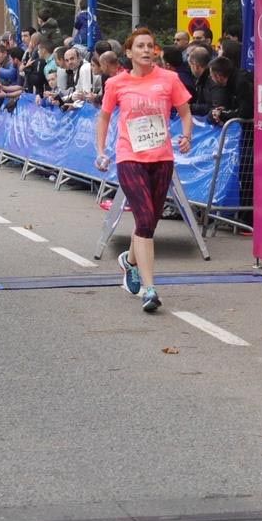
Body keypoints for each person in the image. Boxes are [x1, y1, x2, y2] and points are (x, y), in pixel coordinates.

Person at [94, 27, 193, 313]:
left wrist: (187, 136)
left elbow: (185, 113)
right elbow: (103, 119)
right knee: (145, 217)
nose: (147, 50)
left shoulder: (169, 79)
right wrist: (101, 151)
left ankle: (130, 261)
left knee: (149, 223)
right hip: (129, 157)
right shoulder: (116, 84)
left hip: (162, 157)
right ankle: (150, 289)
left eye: (151, 46)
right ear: (129, 52)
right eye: (141, 46)